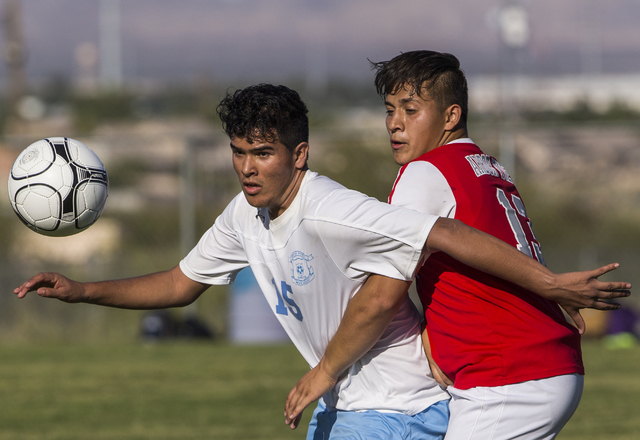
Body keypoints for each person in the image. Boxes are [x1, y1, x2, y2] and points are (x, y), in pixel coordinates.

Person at [15, 84, 629, 440]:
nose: (248, 167)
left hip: (399, 407)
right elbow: (180, 283)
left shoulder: (334, 209)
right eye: (239, 153)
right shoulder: (241, 215)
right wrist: (80, 289)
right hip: (349, 410)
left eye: (263, 153)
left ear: (298, 154)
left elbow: (439, 233)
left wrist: (548, 283)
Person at [284, 53, 632, 439]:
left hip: (508, 377)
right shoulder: (485, 164)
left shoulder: (423, 172)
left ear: (450, 117)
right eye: (389, 110)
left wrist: (326, 371)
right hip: (541, 364)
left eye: (411, 109)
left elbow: (384, 293)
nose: (395, 123)